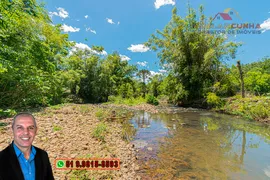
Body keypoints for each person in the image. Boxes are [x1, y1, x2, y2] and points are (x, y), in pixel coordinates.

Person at [0, 112, 54, 180]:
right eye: (20, 127)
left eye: (30, 128)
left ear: (36, 130)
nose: (26, 132)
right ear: (12, 130)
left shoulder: (43, 155)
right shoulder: (1, 159)